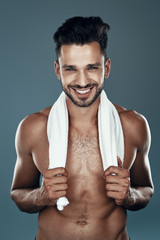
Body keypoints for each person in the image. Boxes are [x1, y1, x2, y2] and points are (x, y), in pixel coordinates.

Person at [10, 16, 154, 240]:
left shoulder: (133, 125)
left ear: (106, 68)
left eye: (91, 68)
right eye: (71, 69)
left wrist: (130, 195)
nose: (83, 81)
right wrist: (41, 196)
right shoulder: (34, 127)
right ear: (58, 71)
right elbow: (18, 192)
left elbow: (146, 188)